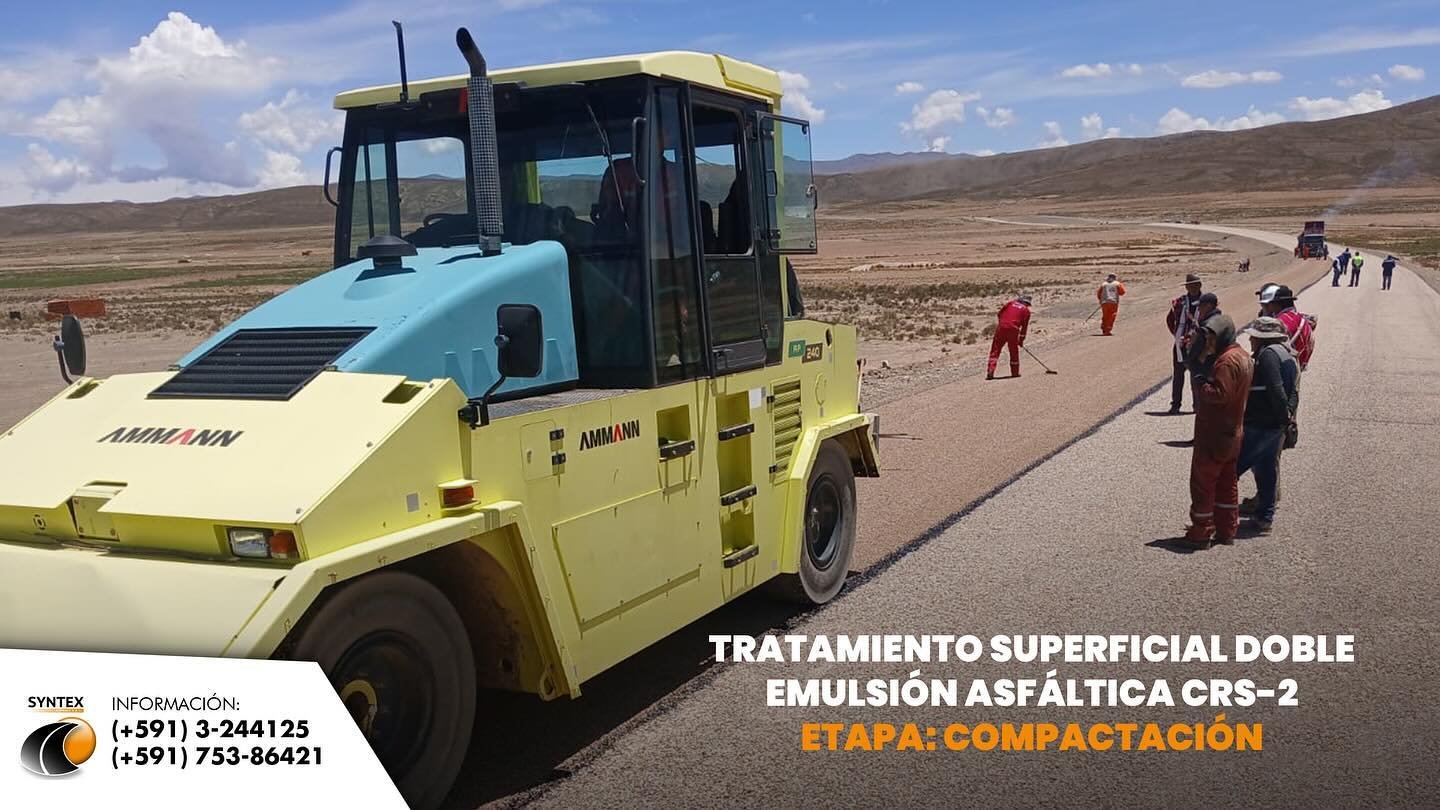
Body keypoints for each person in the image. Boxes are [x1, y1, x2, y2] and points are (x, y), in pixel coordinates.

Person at [1181, 313, 1254, 548]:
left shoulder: (1226, 362)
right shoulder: (1242, 356)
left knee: (1203, 483)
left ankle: (1201, 532)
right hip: (1233, 432)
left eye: (1212, 337)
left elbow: (1218, 395)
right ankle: (1227, 529)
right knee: (1227, 482)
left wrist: (1200, 380)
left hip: (1214, 433)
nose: (1209, 342)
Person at [1235, 317, 1299, 534]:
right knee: (1266, 471)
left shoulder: (1268, 355)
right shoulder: (1287, 353)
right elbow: (1294, 392)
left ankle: (1217, 517)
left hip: (1262, 423)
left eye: (1254, 336)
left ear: (1264, 338)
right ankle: (1264, 517)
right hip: (1274, 425)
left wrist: (1281, 417)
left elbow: (1276, 388)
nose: (1251, 340)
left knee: (1232, 469)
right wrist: (1287, 418)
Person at [1165, 274, 1204, 414]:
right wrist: (1177, 334)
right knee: (1178, 374)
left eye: (1195, 285)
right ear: (1186, 287)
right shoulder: (1180, 302)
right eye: (1190, 285)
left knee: (1197, 374)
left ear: (1200, 285)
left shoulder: (1206, 301)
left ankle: (1197, 405)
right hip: (1180, 344)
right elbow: (1170, 320)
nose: (1193, 288)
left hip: (1199, 344)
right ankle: (1175, 405)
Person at [1259, 284, 1315, 371]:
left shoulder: (1280, 322)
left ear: (1277, 304)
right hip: (1298, 364)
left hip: (1284, 368)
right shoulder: (1300, 317)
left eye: (1270, 304)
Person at [986, 295, 1032, 380]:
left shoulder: (1010, 303)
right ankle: (1015, 372)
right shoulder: (1026, 311)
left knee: (995, 350)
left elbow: (999, 314)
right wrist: (1021, 340)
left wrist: (1003, 323)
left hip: (1001, 328)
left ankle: (990, 370)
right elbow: (1024, 328)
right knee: (1013, 351)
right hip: (1013, 330)